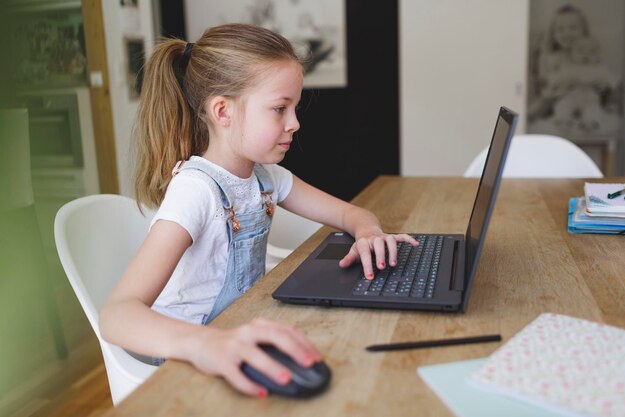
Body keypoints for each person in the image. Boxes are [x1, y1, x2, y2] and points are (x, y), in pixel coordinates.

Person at [99, 23, 417, 399]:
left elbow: (353, 215)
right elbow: (117, 315)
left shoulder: (267, 179)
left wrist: (368, 234)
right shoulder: (195, 191)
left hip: (238, 328)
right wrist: (203, 345)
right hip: (183, 361)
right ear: (223, 111)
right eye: (280, 108)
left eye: (294, 107)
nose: (295, 123)